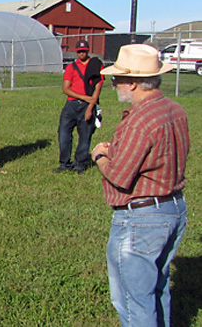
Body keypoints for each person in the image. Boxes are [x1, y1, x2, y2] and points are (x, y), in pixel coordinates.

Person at [92, 44, 188, 327]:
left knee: (133, 301)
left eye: (117, 79)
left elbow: (120, 177)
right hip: (173, 209)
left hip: (142, 217)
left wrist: (100, 156)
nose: (114, 85)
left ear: (132, 83)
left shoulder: (140, 120)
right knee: (157, 289)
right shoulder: (174, 109)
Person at [55, 39, 103, 174]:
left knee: (85, 135)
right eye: (79, 51)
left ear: (88, 51)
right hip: (71, 104)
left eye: (84, 51)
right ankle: (64, 163)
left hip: (87, 105)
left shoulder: (95, 65)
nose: (82, 54)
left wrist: (90, 106)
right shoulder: (71, 67)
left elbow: (98, 86)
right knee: (64, 134)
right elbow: (66, 88)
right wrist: (83, 97)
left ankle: (80, 164)